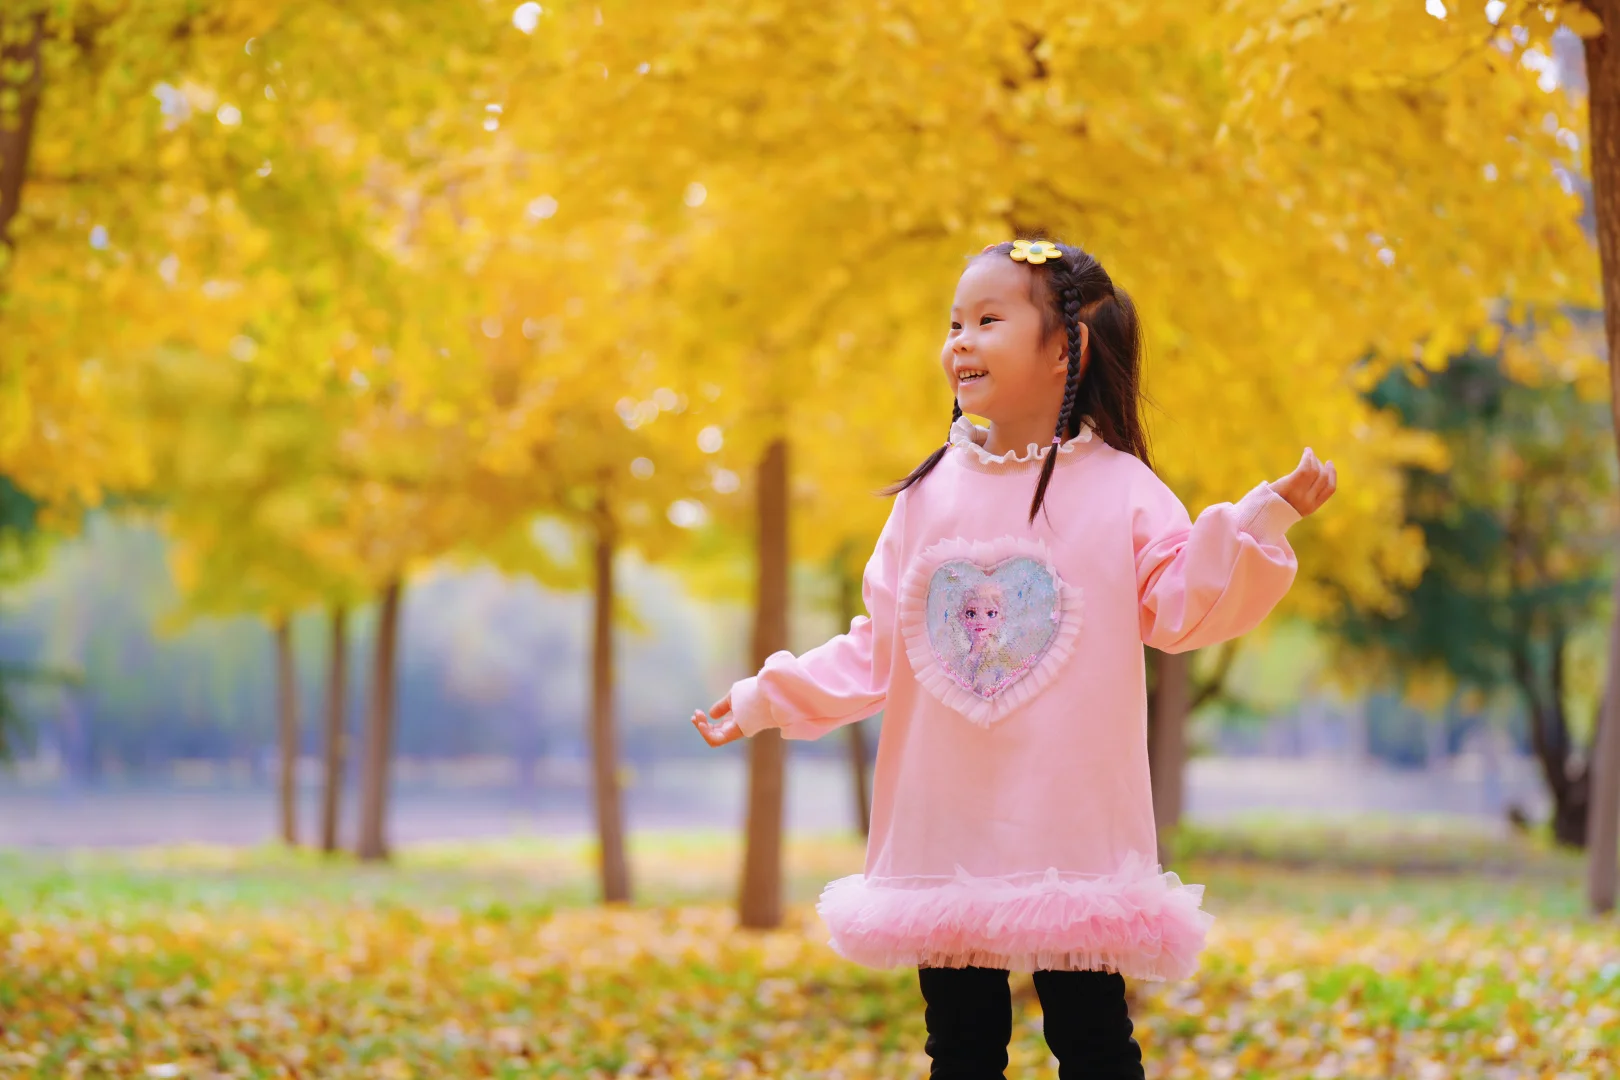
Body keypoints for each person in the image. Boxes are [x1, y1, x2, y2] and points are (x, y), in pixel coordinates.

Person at [690, 238, 1337, 1078]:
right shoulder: (926, 498)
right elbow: (878, 649)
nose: (960, 341)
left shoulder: (1122, 490)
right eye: (954, 323)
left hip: (1070, 830)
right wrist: (764, 698)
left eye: (988, 320)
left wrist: (1262, 520)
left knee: (1093, 1042)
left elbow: (1183, 606)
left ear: (1066, 347)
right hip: (947, 824)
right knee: (960, 1048)